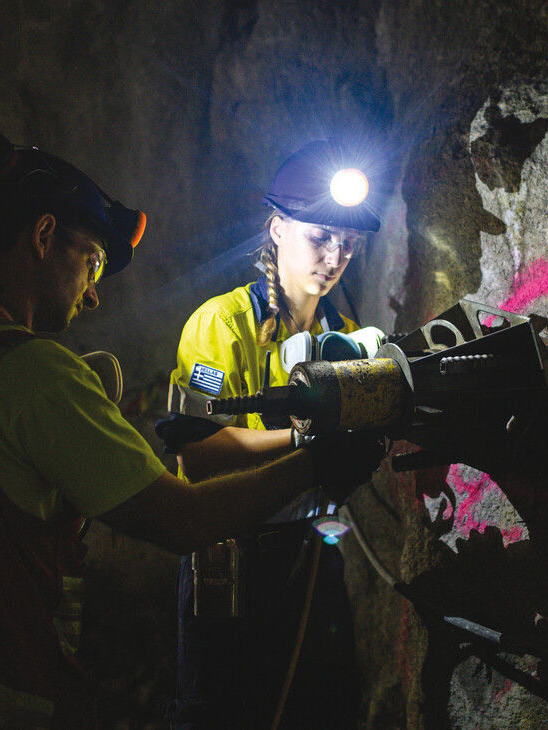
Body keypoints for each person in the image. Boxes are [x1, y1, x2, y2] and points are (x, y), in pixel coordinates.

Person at [0, 131, 381, 730]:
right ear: (42, 237)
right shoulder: (39, 370)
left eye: (348, 243)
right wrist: (315, 452)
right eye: (94, 263)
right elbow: (185, 498)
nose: (93, 296)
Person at [156, 139, 385, 730]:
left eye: (349, 242)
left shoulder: (351, 340)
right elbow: (199, 451)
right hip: (229, 560)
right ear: (277, 228)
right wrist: (307, 444)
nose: (335, 255)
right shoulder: (220, 325)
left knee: (323, 708)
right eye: (320, 236)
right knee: (223, 714)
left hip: (314, 555)